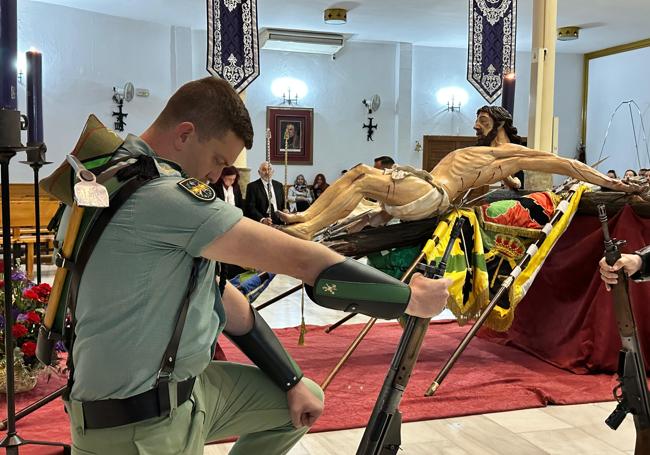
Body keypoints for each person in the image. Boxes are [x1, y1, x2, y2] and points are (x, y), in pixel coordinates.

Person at [63, 76, 451, 455]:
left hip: (181, 389)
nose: (216, 175)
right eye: (218, 160)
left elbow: (225, 299)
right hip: (138, 428)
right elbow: (303, 259)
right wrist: (408, 299)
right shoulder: (162, 196)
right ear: (184, 134)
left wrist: (291, 379)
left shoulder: (109, 178)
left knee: (300, 401)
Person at [278, 107, 647, 240]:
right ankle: (305, 220)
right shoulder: (491, 156)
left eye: (482, 121)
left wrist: (610, 182)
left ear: (499, 123)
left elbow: (567, 164)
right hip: (423, 188)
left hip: (432, 195)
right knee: (360, 173)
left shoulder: (514, 154)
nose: (475, 126)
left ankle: (308, 227)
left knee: (362, 174)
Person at [244, 161, 286, 225]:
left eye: (269, 169)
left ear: (273, 172)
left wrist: (286, 210)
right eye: (264, 170)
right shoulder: (252, 187)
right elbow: (250, 207)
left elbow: (284, 202)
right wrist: (262, 219)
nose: (267, 172)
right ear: (259, 172)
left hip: (279, 220)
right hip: (263, 221)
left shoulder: (279, 185)